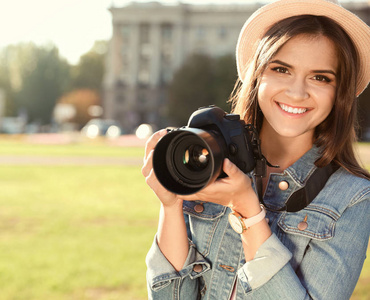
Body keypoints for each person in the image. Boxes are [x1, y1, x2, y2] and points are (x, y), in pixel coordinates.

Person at [141, 0, 370, 299]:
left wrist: (247, 209)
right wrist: (170, 206)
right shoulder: (209, 164)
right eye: (282, 69)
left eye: (320, 77)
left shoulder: (352, 197)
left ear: (339, 93)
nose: (297, 92)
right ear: (258, 74)